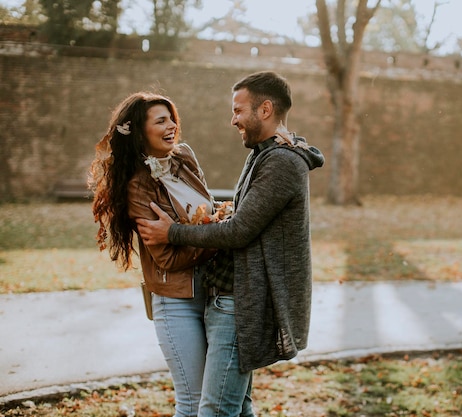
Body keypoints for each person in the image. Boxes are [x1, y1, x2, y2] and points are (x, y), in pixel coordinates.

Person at [137, 71, 325, 417]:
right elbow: (245, 219)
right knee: (238, 408)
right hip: (229, 296)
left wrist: (173, 233)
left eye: (239, 110)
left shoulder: (281, 161)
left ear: (265, 109)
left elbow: (239, 231)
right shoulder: (265, 153)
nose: (233, 119)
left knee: (216, 409)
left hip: (241, 302)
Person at [88, 91, 219, 417]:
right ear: (140, 131)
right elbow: (168, 258)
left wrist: (209, 228)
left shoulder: (184, 157)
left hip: (215, 295)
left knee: (221, 400)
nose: (172, 124)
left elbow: (207, 214)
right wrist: (219, 238)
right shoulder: (138, 185)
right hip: (177, 304)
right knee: (193, 402)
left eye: (172, 117)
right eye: (161, 120)